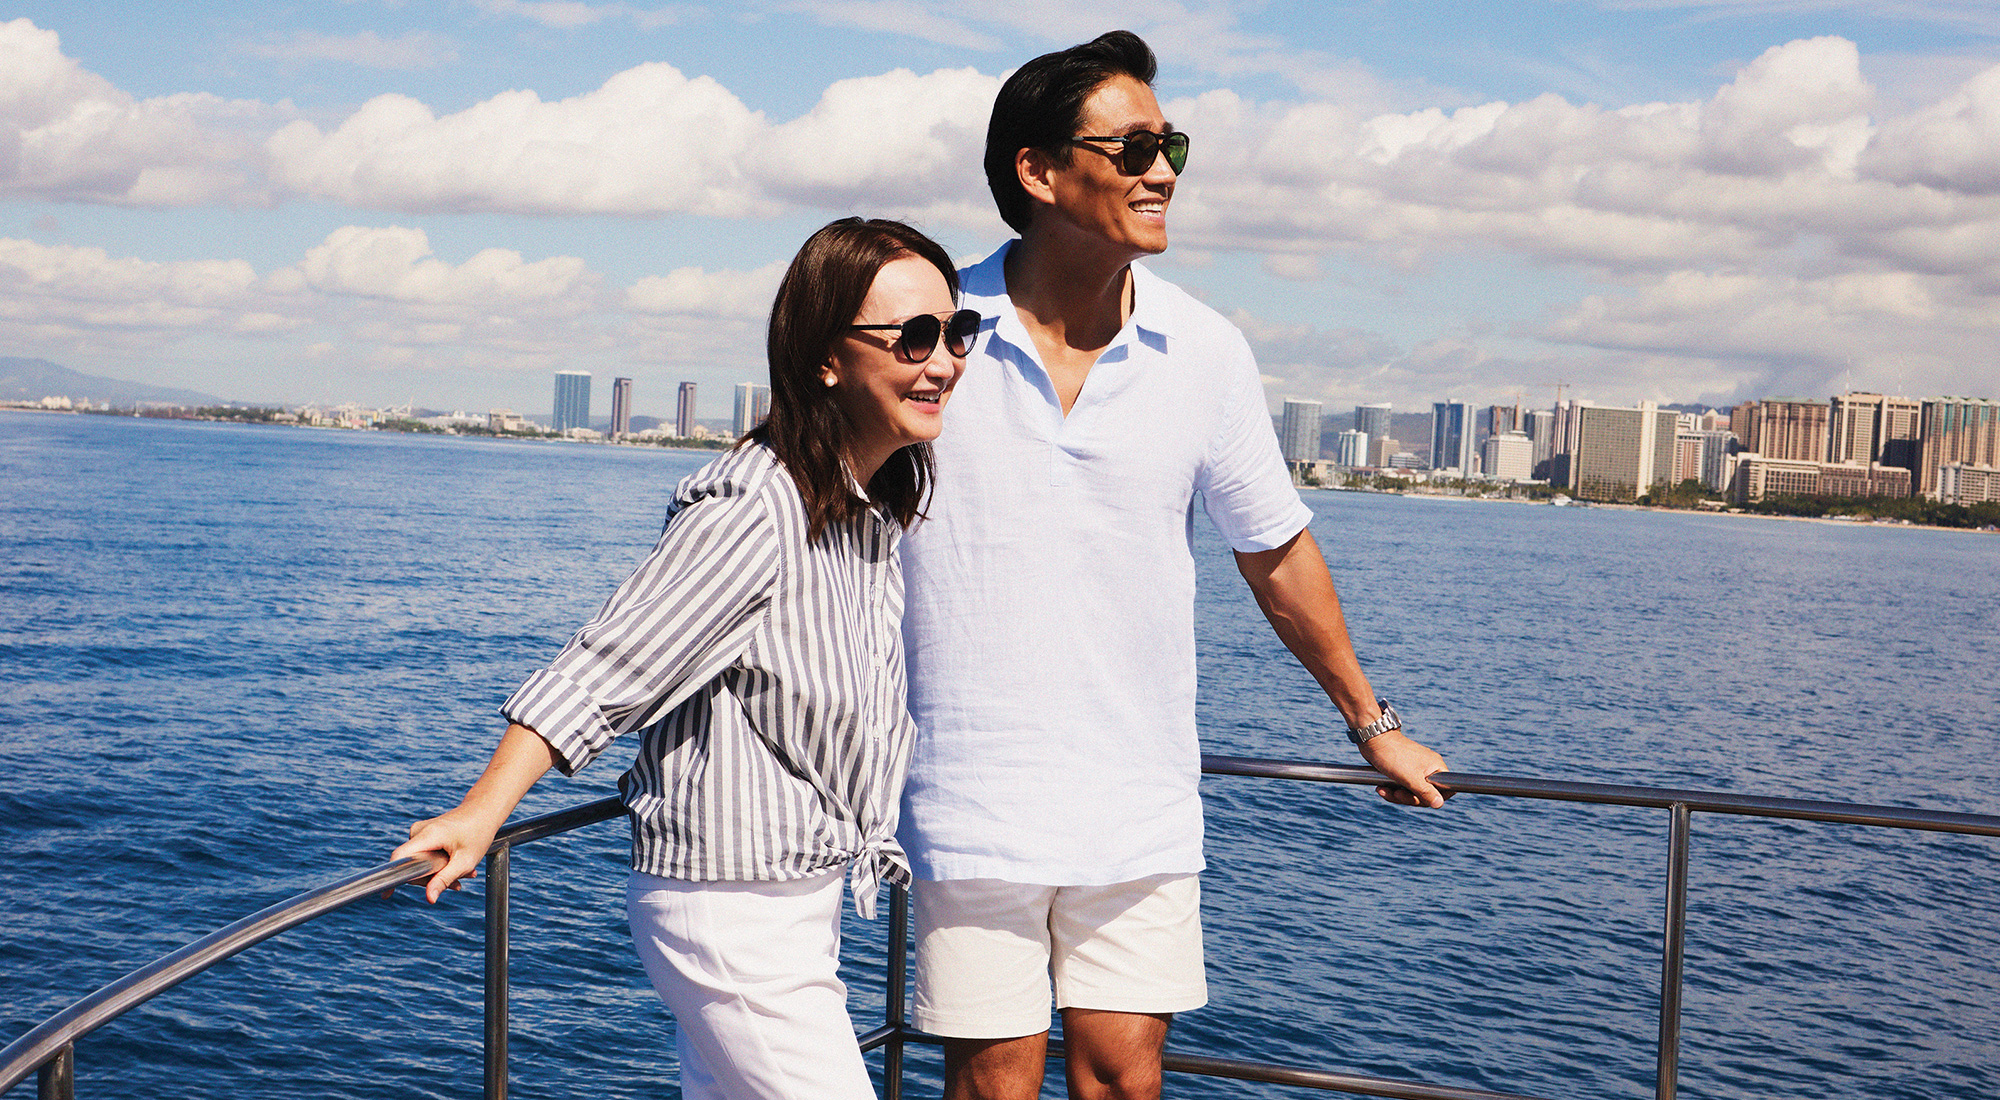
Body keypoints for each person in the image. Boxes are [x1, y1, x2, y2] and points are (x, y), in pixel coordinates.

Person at [895, 31, 1452, 1100]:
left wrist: (1371, 724)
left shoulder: (1204, 350)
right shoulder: (935, 332)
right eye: (1134, 146)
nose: (1162, 172)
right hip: (965, 791)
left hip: (1136, 798)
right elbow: (825, 513)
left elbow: (1275, 553)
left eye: (1171, 145)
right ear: (1038, 169)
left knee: (1122, 1080)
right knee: (991, 1084)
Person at [393, 217, 978, 1100]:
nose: (943, 361)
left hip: (796, 899)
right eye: (915, 337)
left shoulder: (865, 511)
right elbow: (606, 665)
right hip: (732, 912)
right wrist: (481, 814)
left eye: (957, 332)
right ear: (826, 357)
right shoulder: (758, 506)